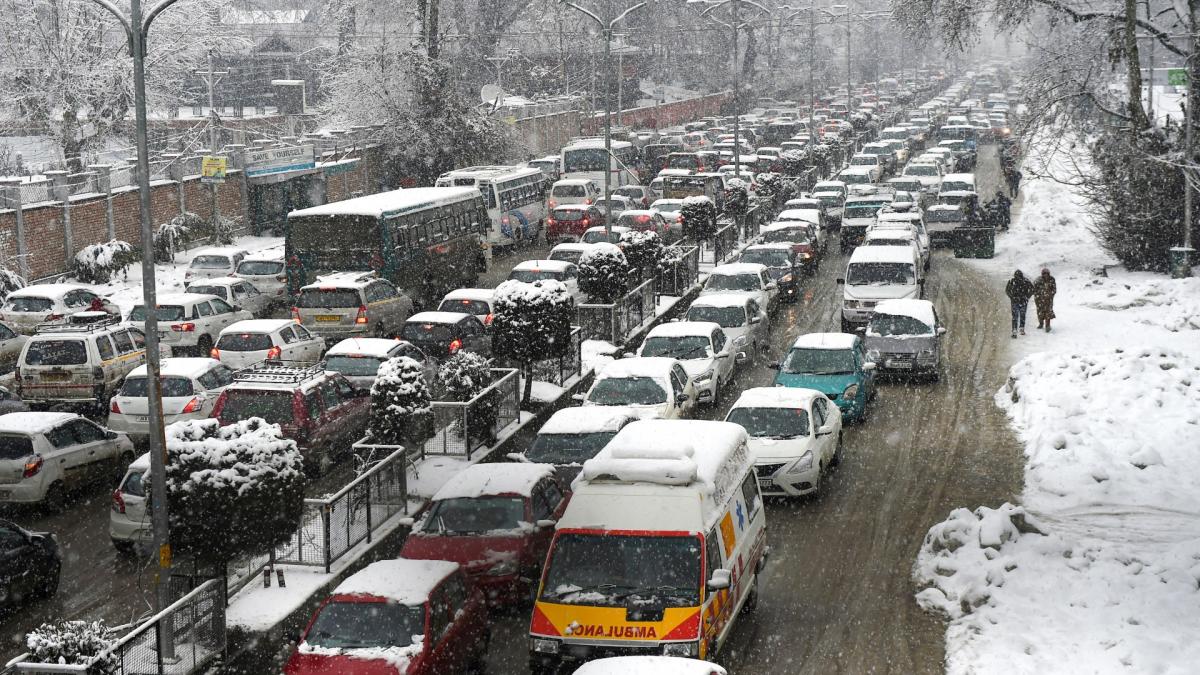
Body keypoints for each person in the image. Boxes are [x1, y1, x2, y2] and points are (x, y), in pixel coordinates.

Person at [1005, 269, 1034, 338]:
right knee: (1020, 315)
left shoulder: (1013, 281)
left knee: (1016, 316)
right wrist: (1027, 297)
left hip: (1019, 301)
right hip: (1020, 301)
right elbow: (1007, 290)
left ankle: (1016, 330)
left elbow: (1007, 290)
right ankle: (1020, 328)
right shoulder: (1023, 281)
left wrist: (1012, 297)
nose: (1018, 277)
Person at [1033, 268, 1057, 332]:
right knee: (1040, 312)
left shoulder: (1052, 279)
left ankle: (1047, 326)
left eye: (1047, 274)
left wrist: (1050, 294)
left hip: (1048, 300)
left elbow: (1054, 289)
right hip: (1039, 300)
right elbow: (1034, 290)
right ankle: (1041, 323)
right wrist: (1039, 295)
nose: (1046, 275)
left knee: (1048, 312)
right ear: (1042, 274)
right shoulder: (1038, 280)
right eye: (1044, 274)